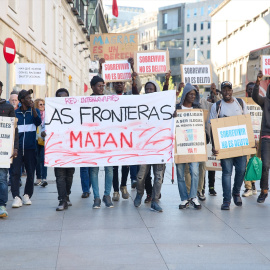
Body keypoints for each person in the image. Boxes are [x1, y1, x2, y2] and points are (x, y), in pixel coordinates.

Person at [99, 57, 140, 201]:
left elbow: (137, 90)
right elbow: (100, 87)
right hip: (113, 134)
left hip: (127, 134)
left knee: (126, 163)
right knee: (114, 164)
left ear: (124, 85)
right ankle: (115, 190)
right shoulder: (108, 97)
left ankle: (123, 186)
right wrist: (101, 68)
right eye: (117, 83)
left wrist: (132, 68)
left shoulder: (130, 96)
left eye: (121, 83)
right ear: (114, 85)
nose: (119, 85)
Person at [210, 81, 248, 210]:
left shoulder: (241, 103)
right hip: (225, 145)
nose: (227, 92)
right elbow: (212, 127)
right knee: (226, 173)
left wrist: (252, 144)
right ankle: (226, 200)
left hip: (240, 144)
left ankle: (236, 192)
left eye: (229, 90)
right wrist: (214, 145)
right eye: (224, 90)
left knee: (241, 170)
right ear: (221, 92)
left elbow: (247, 123)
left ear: (232, 91)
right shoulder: (217, 106)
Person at [133, 80, 166, 212]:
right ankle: (140, 193)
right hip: (144, 147)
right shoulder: (140, 104)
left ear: (155, 90)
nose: (149, 91)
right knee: (141, 176)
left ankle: (155, 200)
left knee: (158, 177)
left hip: (159, 147)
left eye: (152, 89)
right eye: (147, 89)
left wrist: (173, 115)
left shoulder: (162, 105)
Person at [11, 89, 42, 208]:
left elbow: (38, 122)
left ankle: (27, 195)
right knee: (15, 173)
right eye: (28, 98)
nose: (30, 100)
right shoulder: (15, 113)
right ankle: (16, 197)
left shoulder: (35, 111)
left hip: (30, 148)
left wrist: (33, 108)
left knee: (30, 173)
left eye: (31, 98)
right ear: (22, 100)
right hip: (17, 149)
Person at [87, 76, 114, 208]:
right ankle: (96, 197)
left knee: (109, 169)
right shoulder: (86, 102)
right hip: (93, 141)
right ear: (92, 87)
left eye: (103, 85)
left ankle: (107, 195)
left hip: (108, 140)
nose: (102, 88)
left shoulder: (108, 100)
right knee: (94, 170)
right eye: (99, 86)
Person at [174, 83, 202, 210]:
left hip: (194, 146)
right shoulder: (177, 109)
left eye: (194, 94)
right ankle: (184, 198)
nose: (192, 96)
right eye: (190, 94)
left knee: (195, 171)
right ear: (185, 94)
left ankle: (193, 197)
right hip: (179, 146)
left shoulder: (198, 109)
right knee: (180, 173)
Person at [53, 88, 75, 211]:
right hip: (57, 148)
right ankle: (62, 200)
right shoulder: (51, 112)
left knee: (69, 175)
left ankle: (66, 195)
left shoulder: (74, 112)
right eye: (60, 98)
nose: (63, 100)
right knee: (60, 175)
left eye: (65, 97)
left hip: (71, 148)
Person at [0, 81, 19, 217]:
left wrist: (15, 147)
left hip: (3, 150)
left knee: (2, 178)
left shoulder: (8, 107)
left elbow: (14, 129)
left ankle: (2, 205)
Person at [252, 71, 270, 203]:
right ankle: (264, 191)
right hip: (266, 137)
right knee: (265, 164)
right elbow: (255, 97)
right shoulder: (265, 101)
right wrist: (258, 82)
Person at [242, 82, 257, 197]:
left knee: (255, 163)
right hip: (245, 138)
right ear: (247, 90)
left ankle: (253, 185)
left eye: (253, 89)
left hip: (257, 139)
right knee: (245, 163)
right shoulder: (242, 103)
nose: (251, 91)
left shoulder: (260, 102)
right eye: (249, 89)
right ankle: (247, 187)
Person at [34, 98, 47, 187]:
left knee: (44, 159)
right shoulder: (35, 114)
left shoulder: (47, 115)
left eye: (43, 104)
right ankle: (38, 177)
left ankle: (44, 178)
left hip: (45, 139)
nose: (43, 106)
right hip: (36, 139)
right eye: (40, 104)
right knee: (37, 159)